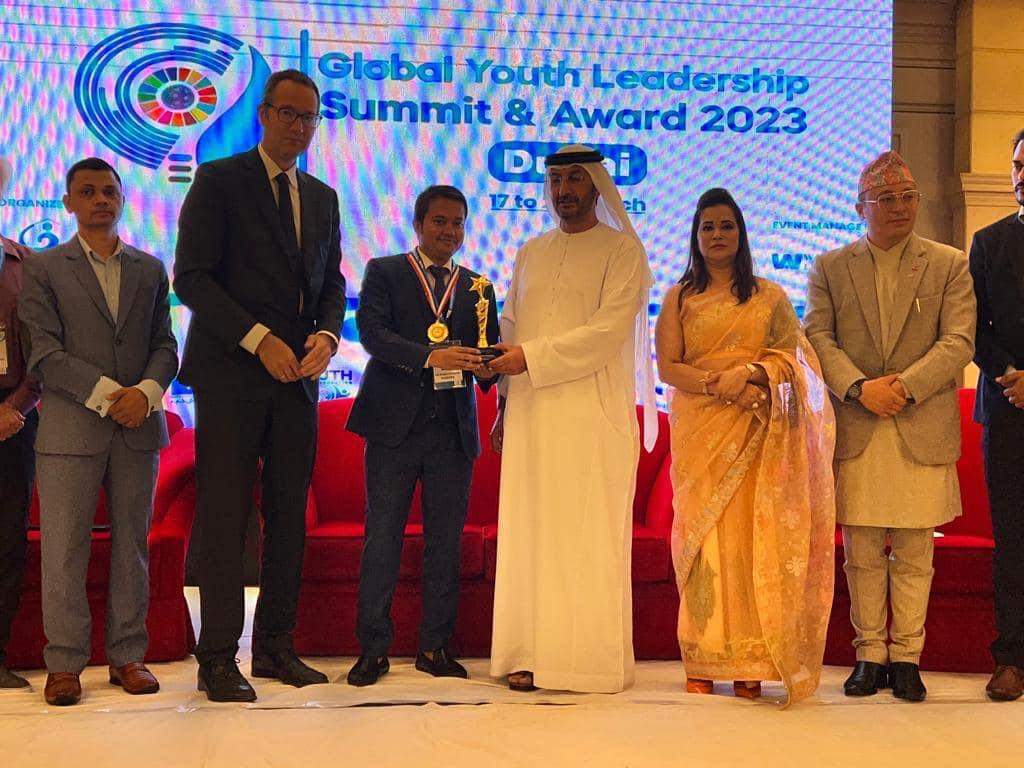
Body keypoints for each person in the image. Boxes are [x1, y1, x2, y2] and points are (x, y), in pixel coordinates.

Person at [174, 69, 346, 702]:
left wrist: (327, 337)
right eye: (288, 114)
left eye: (309, 118)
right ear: (264, 114)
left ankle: (275, 646)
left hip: (297, 380)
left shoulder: (322, 196)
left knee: (288, 516)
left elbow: (332, 282)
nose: (299, 127)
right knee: (225, 517)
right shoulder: (220, 179)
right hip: (231, 376)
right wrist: (258, 339)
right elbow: (192, 278)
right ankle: (218, 657)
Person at [804, 150, 976, 702]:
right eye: (886, 198)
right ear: (861, 207)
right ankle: (868, 655)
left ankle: (907, 658)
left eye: (908, 197)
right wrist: (860, 387)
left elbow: (959, 341)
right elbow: (817, 337)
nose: (900, 206)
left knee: (914, 551)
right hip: (859, 423)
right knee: (860, 552)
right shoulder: (830, 267)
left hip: (918, 420)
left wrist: (902, 386)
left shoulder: (948, 263)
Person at [487, 144, 658, 693]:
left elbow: (606, 334)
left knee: (584, 535)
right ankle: (526, 652)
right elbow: (511, 325)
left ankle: (583, 660)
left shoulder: (623, 251)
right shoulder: (531, 251)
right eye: (557, 179)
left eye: (575, 179)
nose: (564, 190)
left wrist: (529, 358)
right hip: (530, 412)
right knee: (529, 531)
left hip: (591, 415)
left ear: (596, 185)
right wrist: (502, 401)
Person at [655, 187, 836, 706]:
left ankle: (750, 660)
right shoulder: (680, 298)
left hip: (756, 430)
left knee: (748, 539)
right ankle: (704, 655)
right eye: (707, 227)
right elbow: (668, 367)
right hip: (701, 429)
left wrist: (753, 372)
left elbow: (800, 362)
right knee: (704, 540)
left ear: (741, 233)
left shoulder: (769, 297)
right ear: (695, 236)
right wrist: (720, 386)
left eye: (726, 225)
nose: (717, 235)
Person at [18, 157, 178, 706]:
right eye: (87, 192)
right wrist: (114, 396)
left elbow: (165, 345)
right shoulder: (43, 267)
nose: (100, 200)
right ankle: (64, 664)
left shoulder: (150, 269)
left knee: (132, 548)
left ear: (123, 199)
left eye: (109, 191)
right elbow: (44, 353)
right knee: (64, 550)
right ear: (68, 203)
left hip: (139, 429)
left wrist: (146, 393)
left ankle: (128, 656)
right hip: (69, 432)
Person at [345, 185, 499, 686]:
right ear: (418, 224)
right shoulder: (385, 272)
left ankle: (435, 647)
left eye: (457, 223)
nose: (448, 231)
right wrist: (432, 357)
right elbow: (373, 336)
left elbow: (487, 354)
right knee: (382, 540)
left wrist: (491, 365)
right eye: (439, 221)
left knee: (445, 544)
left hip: (452, 433)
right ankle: (372, 650)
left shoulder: (478, 287)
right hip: (393, 429)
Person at [968, 128, 1024, 701]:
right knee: (1011, 537)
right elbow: (973, 329)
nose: (1022, 175)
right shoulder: (988, 241)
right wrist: (1011, 375)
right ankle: (1010, 659)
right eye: (1017, 165)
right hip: (1007, 407)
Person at [0, 156, 42, 690]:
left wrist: (16, 408)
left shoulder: (25, 263)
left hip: (12, 416)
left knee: (7, 540)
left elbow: (44, 351)